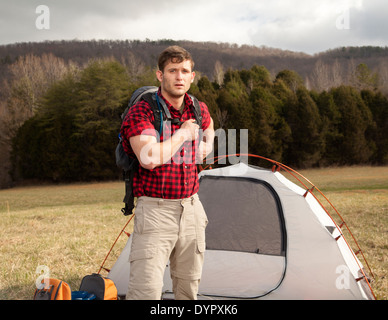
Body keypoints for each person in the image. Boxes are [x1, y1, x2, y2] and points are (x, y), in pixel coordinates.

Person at [120, 45, 214, 300]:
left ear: (192, 76)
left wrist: (205, 147)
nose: (179, 76)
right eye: (173, 70)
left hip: (192, 209)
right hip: (156, 212)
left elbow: (209, 126)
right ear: (160, 75)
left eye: (185, 71)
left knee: (188, 289)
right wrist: (182, 134)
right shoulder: (144, 111)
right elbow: (149, 158)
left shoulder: (197, 107)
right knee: (146, 292)